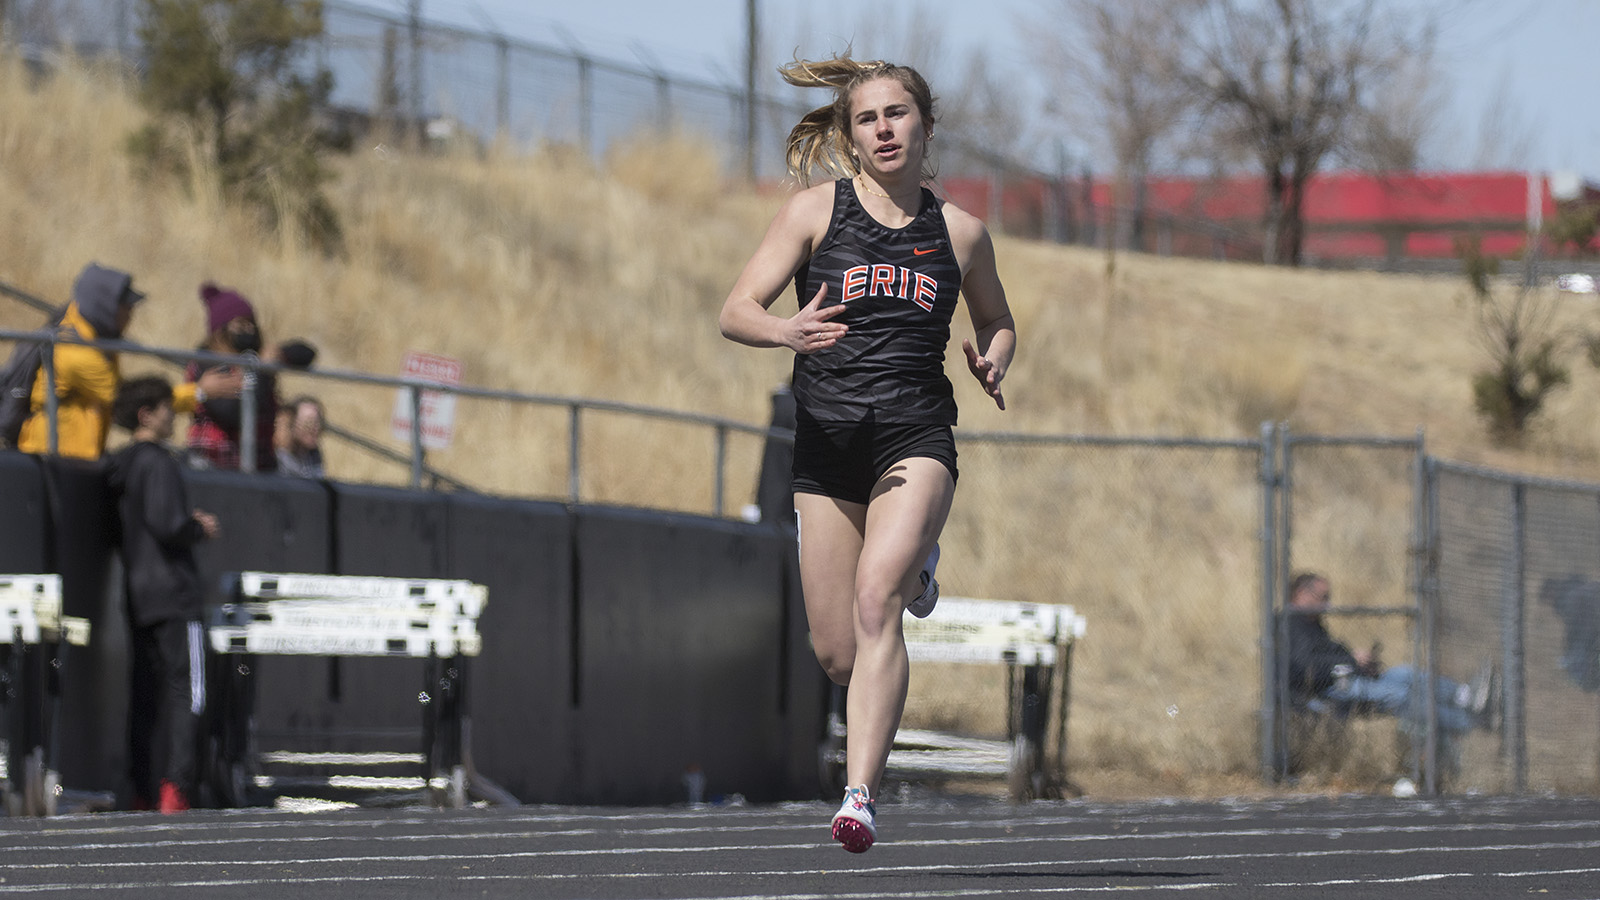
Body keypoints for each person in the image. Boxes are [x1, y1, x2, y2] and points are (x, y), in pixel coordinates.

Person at [718, 54, 1016, 853]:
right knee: (840, 651)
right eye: (867, 119)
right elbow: (736, 309)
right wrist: (784, 329)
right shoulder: (816, 213)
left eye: (898, 114)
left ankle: (860, 798)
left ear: (925, 125)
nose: (884, 129)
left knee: (877, 597)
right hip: (827, 441)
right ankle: (921, 568)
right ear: (851, 137)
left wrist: (993, 358)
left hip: (916, 435)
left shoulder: (960, 233)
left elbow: (997, 320)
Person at [107, 375, 221, 813]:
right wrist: (197, 526)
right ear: (146, 414)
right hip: (174, 594)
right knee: (186, 693)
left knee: (145, 695)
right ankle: (176, 787)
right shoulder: (157, 463)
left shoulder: (120, 465)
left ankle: (140, 787)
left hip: (139, 594)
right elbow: (168, 523)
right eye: (165, 408)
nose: (173, 415)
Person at [1285, 572, 1488, 735]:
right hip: (1326, 690)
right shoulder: (1290, 624)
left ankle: (1466, 696)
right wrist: (1352, 661)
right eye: (1323, 597)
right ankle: (1470, 724)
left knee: (1406, 674)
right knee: (1401, 695)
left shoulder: (1312, 624)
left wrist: (1360, 664)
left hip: (1349, 678)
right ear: (1302, 593)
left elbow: (1329, 656)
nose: (1328, 604)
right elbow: (1307, 668)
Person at [14, 263, 145, 460]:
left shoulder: (98, 341)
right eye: (126, 307)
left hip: (76, 457)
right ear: (105, 306)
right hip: (53, 456)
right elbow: (123, 399)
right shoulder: (73, 348)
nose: (130, 315)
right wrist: (197, 393)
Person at [185, 283, 278, 472]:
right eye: (241, 324)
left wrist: (280, 354)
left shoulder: (251, 363)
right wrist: (260, 372)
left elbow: (305, 352)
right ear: (221, 330)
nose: (249, 329)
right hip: (214, 464)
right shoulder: (204, 365)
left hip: (259, 464)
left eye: (251, 323)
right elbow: (231, 413)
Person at [274, 394, 325, 478]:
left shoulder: (313, 455)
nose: (316, 428)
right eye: (309, 423)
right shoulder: (278, 457)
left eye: (319, 422)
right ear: (291, 423)